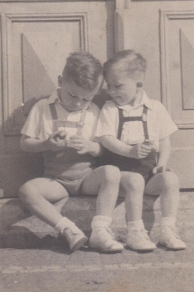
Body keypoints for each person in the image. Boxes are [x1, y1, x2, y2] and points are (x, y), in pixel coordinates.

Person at [19, 51, 124, 254]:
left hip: (86, 177)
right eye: (72, 95)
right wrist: (47, 144)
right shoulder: (43, 108)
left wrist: (91, 147)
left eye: (85, 99)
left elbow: (103, 147)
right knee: (27, 190)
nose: (77, 103)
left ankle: (100, 231)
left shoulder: (93, 110)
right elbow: (25, 143)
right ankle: (68, 229)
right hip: (56, 180)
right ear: (60, 81)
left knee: (111, 172)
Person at [96, 50, 186, 251]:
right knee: (135, 181)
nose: (111, 91)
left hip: (148, 173)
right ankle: (135, 232)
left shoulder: (155, 108)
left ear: (138, 84)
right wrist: (129, 151)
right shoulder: (110, 109)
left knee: (171, 180)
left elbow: (164, 140)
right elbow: (106, 139)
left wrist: (161, 164)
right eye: (108, 86)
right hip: (121, 176)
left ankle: (167, 229)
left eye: (118, 86)